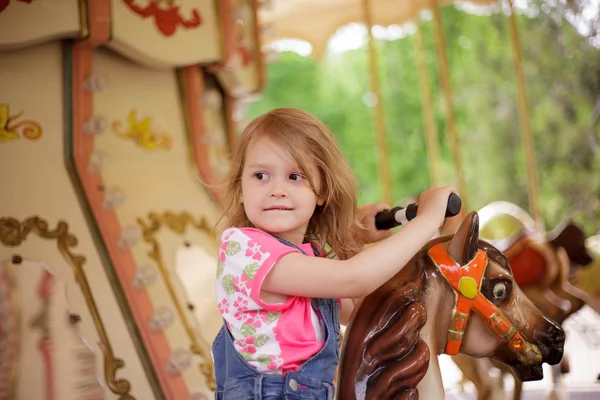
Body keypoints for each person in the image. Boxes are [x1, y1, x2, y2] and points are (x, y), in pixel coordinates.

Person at [212, 108, 456, 399]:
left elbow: (360, 311)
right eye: (260, 175)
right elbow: (352, 279)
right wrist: (427, 221)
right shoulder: (243, 249)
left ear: (322, 190)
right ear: (240, 188)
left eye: (294, 176)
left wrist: (353, 240)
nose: (277, 189)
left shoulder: (308, 262)